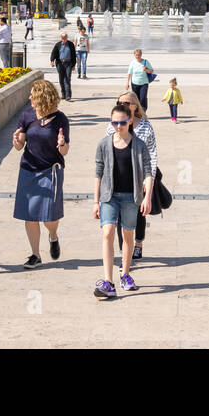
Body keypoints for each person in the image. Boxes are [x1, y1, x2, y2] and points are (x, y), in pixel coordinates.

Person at [92, 102, 154, 299]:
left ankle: (125, 275)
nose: (118, 126)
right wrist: (96, 201)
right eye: (115, 123)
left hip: (131, 196)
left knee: (128, 235)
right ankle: (108, 282)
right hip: (109, 196)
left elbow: (148, 172)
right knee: (107, 232)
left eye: (122, 123)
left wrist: (147, 198)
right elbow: (98, 173)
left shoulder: (139, 145)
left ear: (130, 123)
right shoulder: (104, 144)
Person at [11, 79, 69, 269]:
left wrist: (61, 144)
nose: (29, 98)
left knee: (50, 217)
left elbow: (64, 151)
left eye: (32, 95)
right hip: (28, 169)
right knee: (30, 215)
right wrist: (16, 141)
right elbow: (20, 146)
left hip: (50, 170)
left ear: (42, 97)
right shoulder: (27, 116)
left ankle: (53, 236)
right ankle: (35, 255)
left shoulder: (60, 119)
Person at [111, 91, 158, 260]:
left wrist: (149, 179)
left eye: (128, 103)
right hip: (118, 177)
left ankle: (138, 243)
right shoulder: (112, 125)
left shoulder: (145, 126)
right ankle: (124, 250)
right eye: (120, 102)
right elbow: (107, 153)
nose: (123, 105)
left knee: (138, 214)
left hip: (139, 178)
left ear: (135, 106)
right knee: (119, 216)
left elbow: (152, 155)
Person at [51, 30, 77, 101]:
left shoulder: (71, 44)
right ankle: (63, 94)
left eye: (65, 38)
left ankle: (68, 95)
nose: (64, 39)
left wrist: (74, 65)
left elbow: (74, 55)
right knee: (61, 79)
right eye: (62, 38)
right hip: (60, 63)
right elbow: (53, 53)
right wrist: (52, 61)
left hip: (68, 63)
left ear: (67, 37)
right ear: (61, 37)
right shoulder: (58, 44)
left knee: (67, 79)